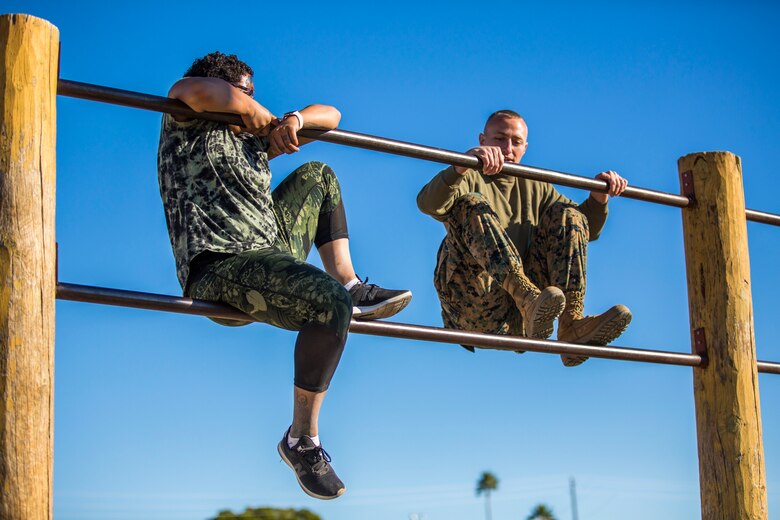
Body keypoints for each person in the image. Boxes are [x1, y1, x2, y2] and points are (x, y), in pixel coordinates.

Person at [157, 51, 411, 500]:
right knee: (327, 301)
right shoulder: (187, 120)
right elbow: (188, 90)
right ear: (228, 92)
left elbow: (331, 115)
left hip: (271, 251)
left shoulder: (253, 139)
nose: (254, 100)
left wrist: (290, 120)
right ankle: (302, 440)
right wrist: (248, 108)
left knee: (319, 174)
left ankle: (351, 283)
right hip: (220, 265)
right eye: (245, 92)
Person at [417, 109, 631, 367]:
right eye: (499, 139)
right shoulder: (469, 174)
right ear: (482, 140)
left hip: (527, 319)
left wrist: (598, 199)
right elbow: (429, 204)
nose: (508, 148)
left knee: (568, 214)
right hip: (474, 309)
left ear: (525, 147)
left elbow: (584, 229)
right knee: (469, 203)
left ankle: (571, 327)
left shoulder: (535, 185)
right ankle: (526, 297)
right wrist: (459, 166)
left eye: (516, 142)